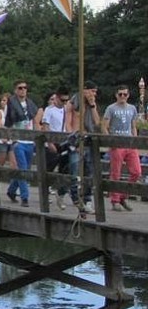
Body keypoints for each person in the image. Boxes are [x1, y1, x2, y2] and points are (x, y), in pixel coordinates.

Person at [4, 79, 43, 208]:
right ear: (15, 90)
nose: (23, 90)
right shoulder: (11, 104)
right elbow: (8, 124)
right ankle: (25, 197)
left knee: (25, 168)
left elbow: (35, 120)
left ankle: (11, 191)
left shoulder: (30, 104)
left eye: (25, 88)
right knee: (23, 169)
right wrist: (12, 140)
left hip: (29, 140)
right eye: (20, 88)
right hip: (18, 141)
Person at [102, 84, 140, 212]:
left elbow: (133, 126)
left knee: (136, 172)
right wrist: (110, 141)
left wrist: (135, 140)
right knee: (116, 173)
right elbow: (104, 126)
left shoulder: (132, 108)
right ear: (116, 95)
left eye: (125, 94)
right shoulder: (110, 108)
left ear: (128, 95)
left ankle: (124, 196)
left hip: (129, 142)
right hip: (117, 143)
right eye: (120, 94)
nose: (122, 96)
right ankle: (115, 200)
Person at [66, 80, 101, 213]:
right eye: (92, 91)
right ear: (85, 90)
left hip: (88, 140)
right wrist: (74, 140)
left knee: (89, 171)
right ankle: (74, 196)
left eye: (95, 92)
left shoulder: (92, 104)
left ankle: (87, 200)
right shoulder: (73, 103)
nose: (94, 94)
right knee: (74, 169)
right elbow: (68, 124)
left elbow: (97, 122)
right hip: (76, 140)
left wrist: (92, 105)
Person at [0, 92, 17, 170]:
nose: (2, 102)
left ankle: (14, 181)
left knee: (14, 163)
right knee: (1, 162)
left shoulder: (11, 113)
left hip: (10, 140)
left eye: (4, 100)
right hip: (1, 140)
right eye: (2, 100)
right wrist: (3, 136)